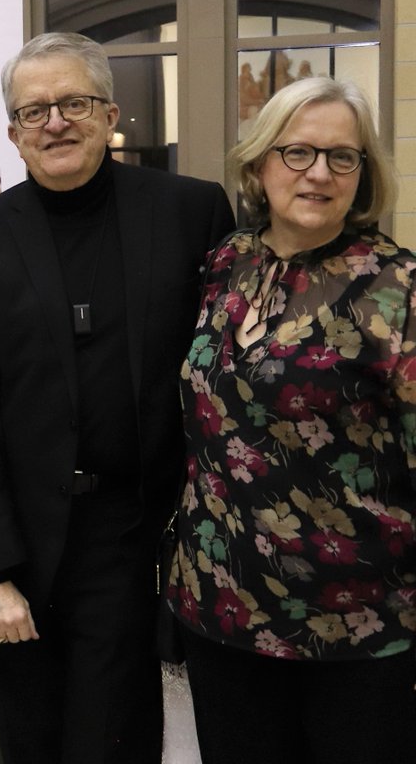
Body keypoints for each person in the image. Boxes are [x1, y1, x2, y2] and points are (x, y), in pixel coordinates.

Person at [0, 32, 235, 764]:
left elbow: (224, 383)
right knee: (33, 743)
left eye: (75, 103)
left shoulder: (192, 213)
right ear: (13, 133)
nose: (56, 123)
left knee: (121, 742)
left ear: (111, 115)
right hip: (23, 550)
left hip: (142, 541)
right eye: (34, 111)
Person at [164, 77, 416, 762]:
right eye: (297, 151)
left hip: (358, 629)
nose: (319, 173)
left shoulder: (397, 289)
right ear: (259, 164)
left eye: (342, 156)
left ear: (363, 175)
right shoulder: (225, 263)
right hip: (220, 608)